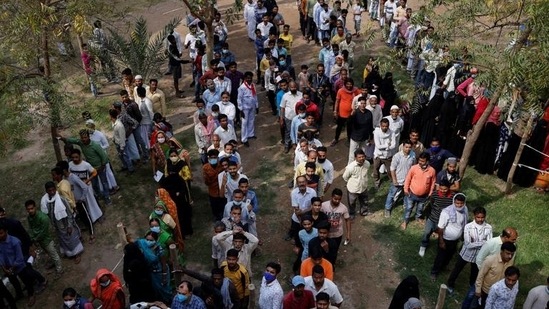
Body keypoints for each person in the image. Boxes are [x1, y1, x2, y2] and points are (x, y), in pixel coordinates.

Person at [446, 206, 492, 294]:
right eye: (478, 217)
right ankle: (450, 284)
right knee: (457, 269)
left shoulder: (488, 228)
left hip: (479, 255)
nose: (480, 219)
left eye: (482, 217)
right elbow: (468, 244)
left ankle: (472, 286)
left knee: (475, 272)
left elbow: (489, 244)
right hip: (465, 254)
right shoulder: (468, 226)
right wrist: (482, 242)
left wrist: (476, 242)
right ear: (474, 216)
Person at [0, 222, 47, 307]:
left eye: (1, 233)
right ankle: (20, 293)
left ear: (6, 231)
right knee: (14, 281)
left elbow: (19, 258)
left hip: (18, 266)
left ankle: (31, 294)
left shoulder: (15, 242)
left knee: (27, 280)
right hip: (8, 267)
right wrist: (3, 267)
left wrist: (12, 268)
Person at [60, 130, 112, 205]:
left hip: (100, 167)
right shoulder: (81, 143)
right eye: (82, 138)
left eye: (85, 137)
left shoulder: (95, 145)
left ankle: (107, 197)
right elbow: (72, 140)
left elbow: (103, 156)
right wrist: (62, 138)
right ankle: (99, 195)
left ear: (89, 137)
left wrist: (103, 166)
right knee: (94, 184)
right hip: (91, 168)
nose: (84, 139)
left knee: (104, 182)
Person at [40, 181, 84, 263]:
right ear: (46, 191)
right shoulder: (45, 201)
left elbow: (69, 213)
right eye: (50, 191)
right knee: (63, 239)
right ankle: (69, 253)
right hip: (57, 225)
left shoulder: (62, 199)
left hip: (66, 224)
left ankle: (77, 254)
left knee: (71, 238)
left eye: (53, 190)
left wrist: (70, 225)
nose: (52, 192)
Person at [430, 193, 468, 281]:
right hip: (445, 239)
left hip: (455, 240)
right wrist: (441, 241)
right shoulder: (446, 212)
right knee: (440, 256)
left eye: (461, 203)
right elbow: (440, 228)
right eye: (457, 203)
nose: (459, 205)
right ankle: (434, 272)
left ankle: (443, 267)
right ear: (453, 202)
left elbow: (464, 223)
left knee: (449, 255)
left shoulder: (465, 209)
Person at [25, 199, 63, 275]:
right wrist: (33, 238)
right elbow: (31, 228)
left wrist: (35, 239)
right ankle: (54, 264)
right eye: (28, 209)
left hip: (46, 239)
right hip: (40, 240)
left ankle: (60, 269)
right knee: (49, 253)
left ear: (35, 207)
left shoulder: (43, 218)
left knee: (53, 254)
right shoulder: (30, 218)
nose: (30, 211)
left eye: (32, 208)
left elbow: (43, 231)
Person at [418, 180, 454, 257]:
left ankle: (439, 249)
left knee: (442, 236)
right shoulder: (435, 194)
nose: (443, 191)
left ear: (449, 188)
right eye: (441, 189)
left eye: (445, 189)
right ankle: (423, 245)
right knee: (427, 233)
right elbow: (431, 203)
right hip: (432, 218)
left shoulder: (453, 196)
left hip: (443, 222)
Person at [474, 242, 517, 308]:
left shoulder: (510, 261)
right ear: (501, 251)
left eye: (512, 254)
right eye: (507, 253)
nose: (510, 256)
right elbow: (481, 275)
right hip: (486, 291)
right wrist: (478, 290)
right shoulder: (490, 260)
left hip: (500, 292)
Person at [401, 152, 436, 230]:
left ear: (427, 161)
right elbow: (408, 179)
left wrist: (430, 193)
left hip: (424, 196)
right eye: (419, 160)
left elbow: (433, 183)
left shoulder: (432, 171)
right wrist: (405, 189)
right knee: (408, 208)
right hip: (412, 193)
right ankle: (405, 221)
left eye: (423, 161)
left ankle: (418, 218)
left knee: (420, 208)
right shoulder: (414, 168)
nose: (420, 162)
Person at [384, 139, 415, 217]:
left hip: (407, 180)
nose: (408, 149)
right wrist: (394, 179)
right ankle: (387, 209)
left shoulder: (413, 155)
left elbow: (414, 166)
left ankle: (405, 205)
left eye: (409, 147)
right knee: (391, 194)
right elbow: (392, 169)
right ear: (403, 147)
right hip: (398, 180)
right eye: (406, 147)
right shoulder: (397, 156)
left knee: (406, 194)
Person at [321, 188, 351, 257]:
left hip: (337, 234)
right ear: (331, 197)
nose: (337, 201)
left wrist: (348, 234)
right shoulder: (323, 206)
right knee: (323, 249)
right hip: (325, 234)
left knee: (334, 250)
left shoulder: (343, 208)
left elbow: (347, 220)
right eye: (335, 199)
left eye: (339, 199)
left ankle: (332, 263)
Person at [331, 78, 361, 146]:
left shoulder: (355, 90)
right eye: (347, 84)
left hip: (351, 113)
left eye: (350, 84)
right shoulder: (340, 91)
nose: (349, 85)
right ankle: (336, 139)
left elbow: (361, 96)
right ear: (345, 84)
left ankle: (348, 140)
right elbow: (337, 101)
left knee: (349, 127)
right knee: (339, 127)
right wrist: (335, 111)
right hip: (342, 113)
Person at [287, 175, 317, 240]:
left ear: (306, 182)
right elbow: (296, 210)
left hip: (309, 218)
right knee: (296, 235)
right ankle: (291, 235)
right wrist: (301, 221)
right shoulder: (294, 193)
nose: (302, 184)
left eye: (303, 182)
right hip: (297, 219)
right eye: (300, 182)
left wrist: (303, 212)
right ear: (297, 184)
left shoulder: (312, 192)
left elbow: (314, 206)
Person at [342, 149, 370, 217]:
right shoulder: (351, 167)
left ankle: (364, 212)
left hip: (363, 187)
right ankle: (352, 214)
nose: (361, 158)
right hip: (353, 189)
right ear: (355, 158)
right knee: (352, 202)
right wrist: (352, 183)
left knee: (364, 201)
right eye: (359, 157)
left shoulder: (367, 164)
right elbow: (345, 177)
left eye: (363, 156)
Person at [347, 96, 373, 164]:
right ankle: (349, 170)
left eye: (364, 103)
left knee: (362, 154)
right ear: (358, 104)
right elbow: (349, 124)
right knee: (352, 156)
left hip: (364, 138)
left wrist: (371, 137)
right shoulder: (355, 113)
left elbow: (370, 125)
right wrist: (351, 116)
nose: (363, 105)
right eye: (361, 103)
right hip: (355, 137)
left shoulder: (369, 113)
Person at [372, 118, 396, 189]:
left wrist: (388, 147)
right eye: (383, 126)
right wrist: (387, 145)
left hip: (388, 156)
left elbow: (394, 145)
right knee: (375, 169)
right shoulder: (376, 132)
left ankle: (392, 181)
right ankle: (377, 181)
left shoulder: (392, 132)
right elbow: (378, 146)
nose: (385, 128)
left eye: (386, 126)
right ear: (380, 125)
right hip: (378, 155)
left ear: (388, 126)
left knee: (390, 170)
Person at [238, 71, 259, 147]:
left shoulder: (253, 85)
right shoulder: (242, 87)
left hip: (252, 106)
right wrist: (240, 109)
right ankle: (244, 139)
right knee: (244, 123)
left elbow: (255, 96)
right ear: (245, 78)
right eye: (248, 78)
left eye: (250, 78)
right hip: (245, 107)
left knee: (251, 120)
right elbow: (239, 99)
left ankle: (251, 134)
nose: (249, 79)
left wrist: (257, 106)